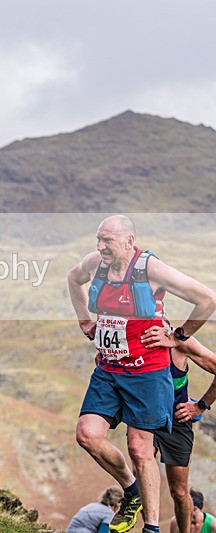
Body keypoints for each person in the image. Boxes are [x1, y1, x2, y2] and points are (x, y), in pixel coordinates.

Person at [68, 214, 216, 533]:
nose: (100, 245)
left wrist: (177, 336)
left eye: (107, 240)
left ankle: (151, 527)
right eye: (98, 238)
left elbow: (207, 299)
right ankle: (131, 491)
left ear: (129, 241)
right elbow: (73, 278)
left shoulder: (150, 269)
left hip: (147, 373)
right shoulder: (95, 263)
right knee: (87, 435)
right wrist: (84, 320)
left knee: (139, 448)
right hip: (108, 369)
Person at [139, 326, 216, 533]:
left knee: (180, 491)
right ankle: (150, 528)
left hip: (177, 422)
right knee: (143, 484)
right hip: (145, 419)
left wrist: (200, 406)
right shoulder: (134, 338)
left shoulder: (181, 342)